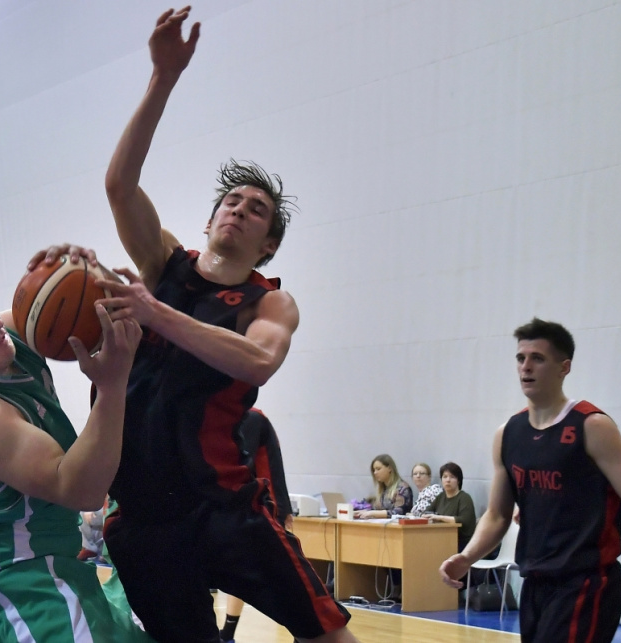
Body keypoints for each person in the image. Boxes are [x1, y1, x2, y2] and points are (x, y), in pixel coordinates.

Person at [98, 9, 353, 643]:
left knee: (328, 634)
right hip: (143, 513)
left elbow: (257, 361)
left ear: (268, 244)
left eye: (256, 209)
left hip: (223, 507)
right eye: (231, 202)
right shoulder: (163, 263)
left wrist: (155, 313)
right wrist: (162, 79)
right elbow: (120, 185)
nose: (239, 210)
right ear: (211, 220)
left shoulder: (270, 302)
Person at [0, 247, 153, 643]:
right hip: (18, 583)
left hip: (62, 563)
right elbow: (83, 491)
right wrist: (111, 386)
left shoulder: (1, 341)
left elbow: (105, 305)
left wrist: (83, 267)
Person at [440, 318, 621, 643]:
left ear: (564, 367)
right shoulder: (508, 434)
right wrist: (467, 557)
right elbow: (498, 514)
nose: (526, 367)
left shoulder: (592, 426)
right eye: (521, 358)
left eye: (538, 358)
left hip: (586, 584)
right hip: (535, 584)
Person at [219, 409, 294, 643]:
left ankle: (305, 632)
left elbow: (241, 467)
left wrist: (283, 511)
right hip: (250, 507)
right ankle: (227, 633)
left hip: (267, 507)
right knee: (237, 572)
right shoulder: (230, 417)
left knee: (282, 576)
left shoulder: (250, 418)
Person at [425, 462, 476, 551]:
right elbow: (427, 512)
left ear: (458, 480)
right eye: (445, 477)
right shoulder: (441, 496)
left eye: (452, 477)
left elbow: (464, 521)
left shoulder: (464, 498)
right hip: (442, 539)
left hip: (461, 543)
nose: (448, 480)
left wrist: (440, 517)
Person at [353, 454, 412, 519]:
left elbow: (398, 512)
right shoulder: (383, 489)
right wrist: (363, 512)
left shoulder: (403, 489)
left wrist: (372, 513)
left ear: (389, 468)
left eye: (378, 469)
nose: (375, 473)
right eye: (374, 470)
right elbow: (377, 509)